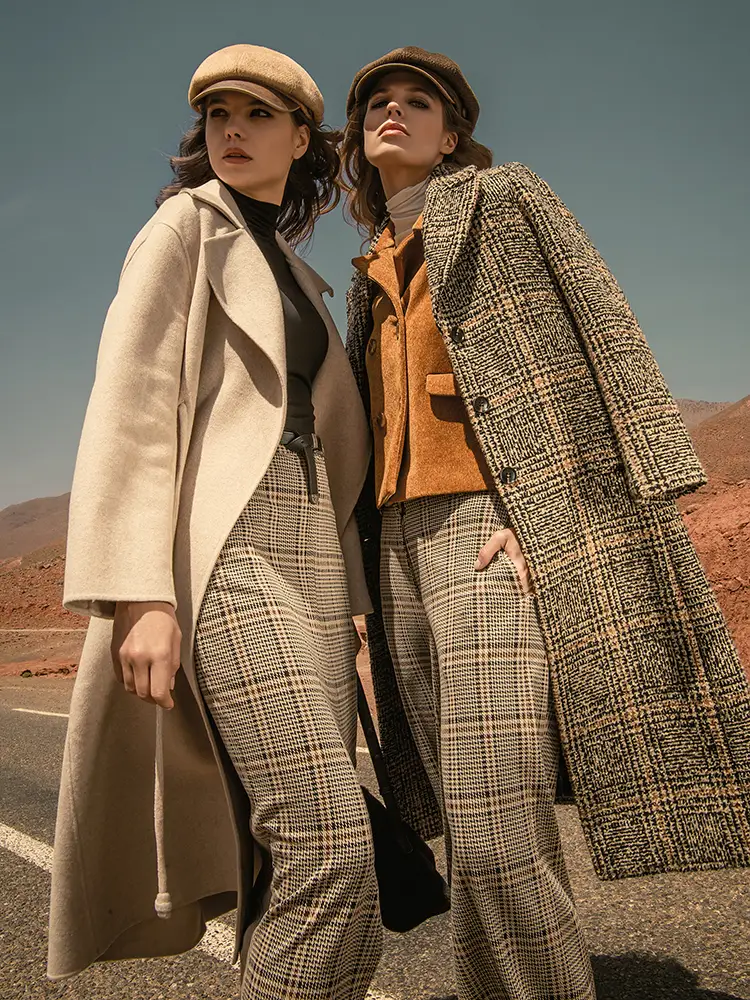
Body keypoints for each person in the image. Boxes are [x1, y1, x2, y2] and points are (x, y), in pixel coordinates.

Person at [340, 45, 750, 1000]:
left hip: (493, 521)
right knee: (467, 813)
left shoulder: (505, 199)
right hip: (395, 548)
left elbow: (604, 321)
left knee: (495, 820)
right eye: (377, 103)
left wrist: (560, 514)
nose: (394, 111)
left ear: (452, 136)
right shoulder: (365, 272)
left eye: (418, 102)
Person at [47, 44, 382, 1000]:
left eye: (258, 115)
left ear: (302, 141)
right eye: (218, 116)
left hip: (315, 554)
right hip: (224, 546)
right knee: (326, 840)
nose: (232, 130)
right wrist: (140, 592)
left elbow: (333, 447)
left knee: (316, 862)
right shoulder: (183, 230)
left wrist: (353, 598)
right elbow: (132, 406)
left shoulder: (303, 277)